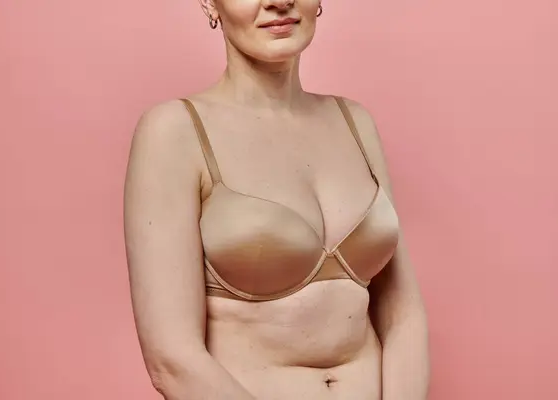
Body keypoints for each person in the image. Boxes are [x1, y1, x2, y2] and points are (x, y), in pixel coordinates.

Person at [123, 1, 430, 399]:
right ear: (208, 3)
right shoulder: (174, 133)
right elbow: (172, 360)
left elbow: (403, 314)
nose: (278, 1)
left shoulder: (354, 122)